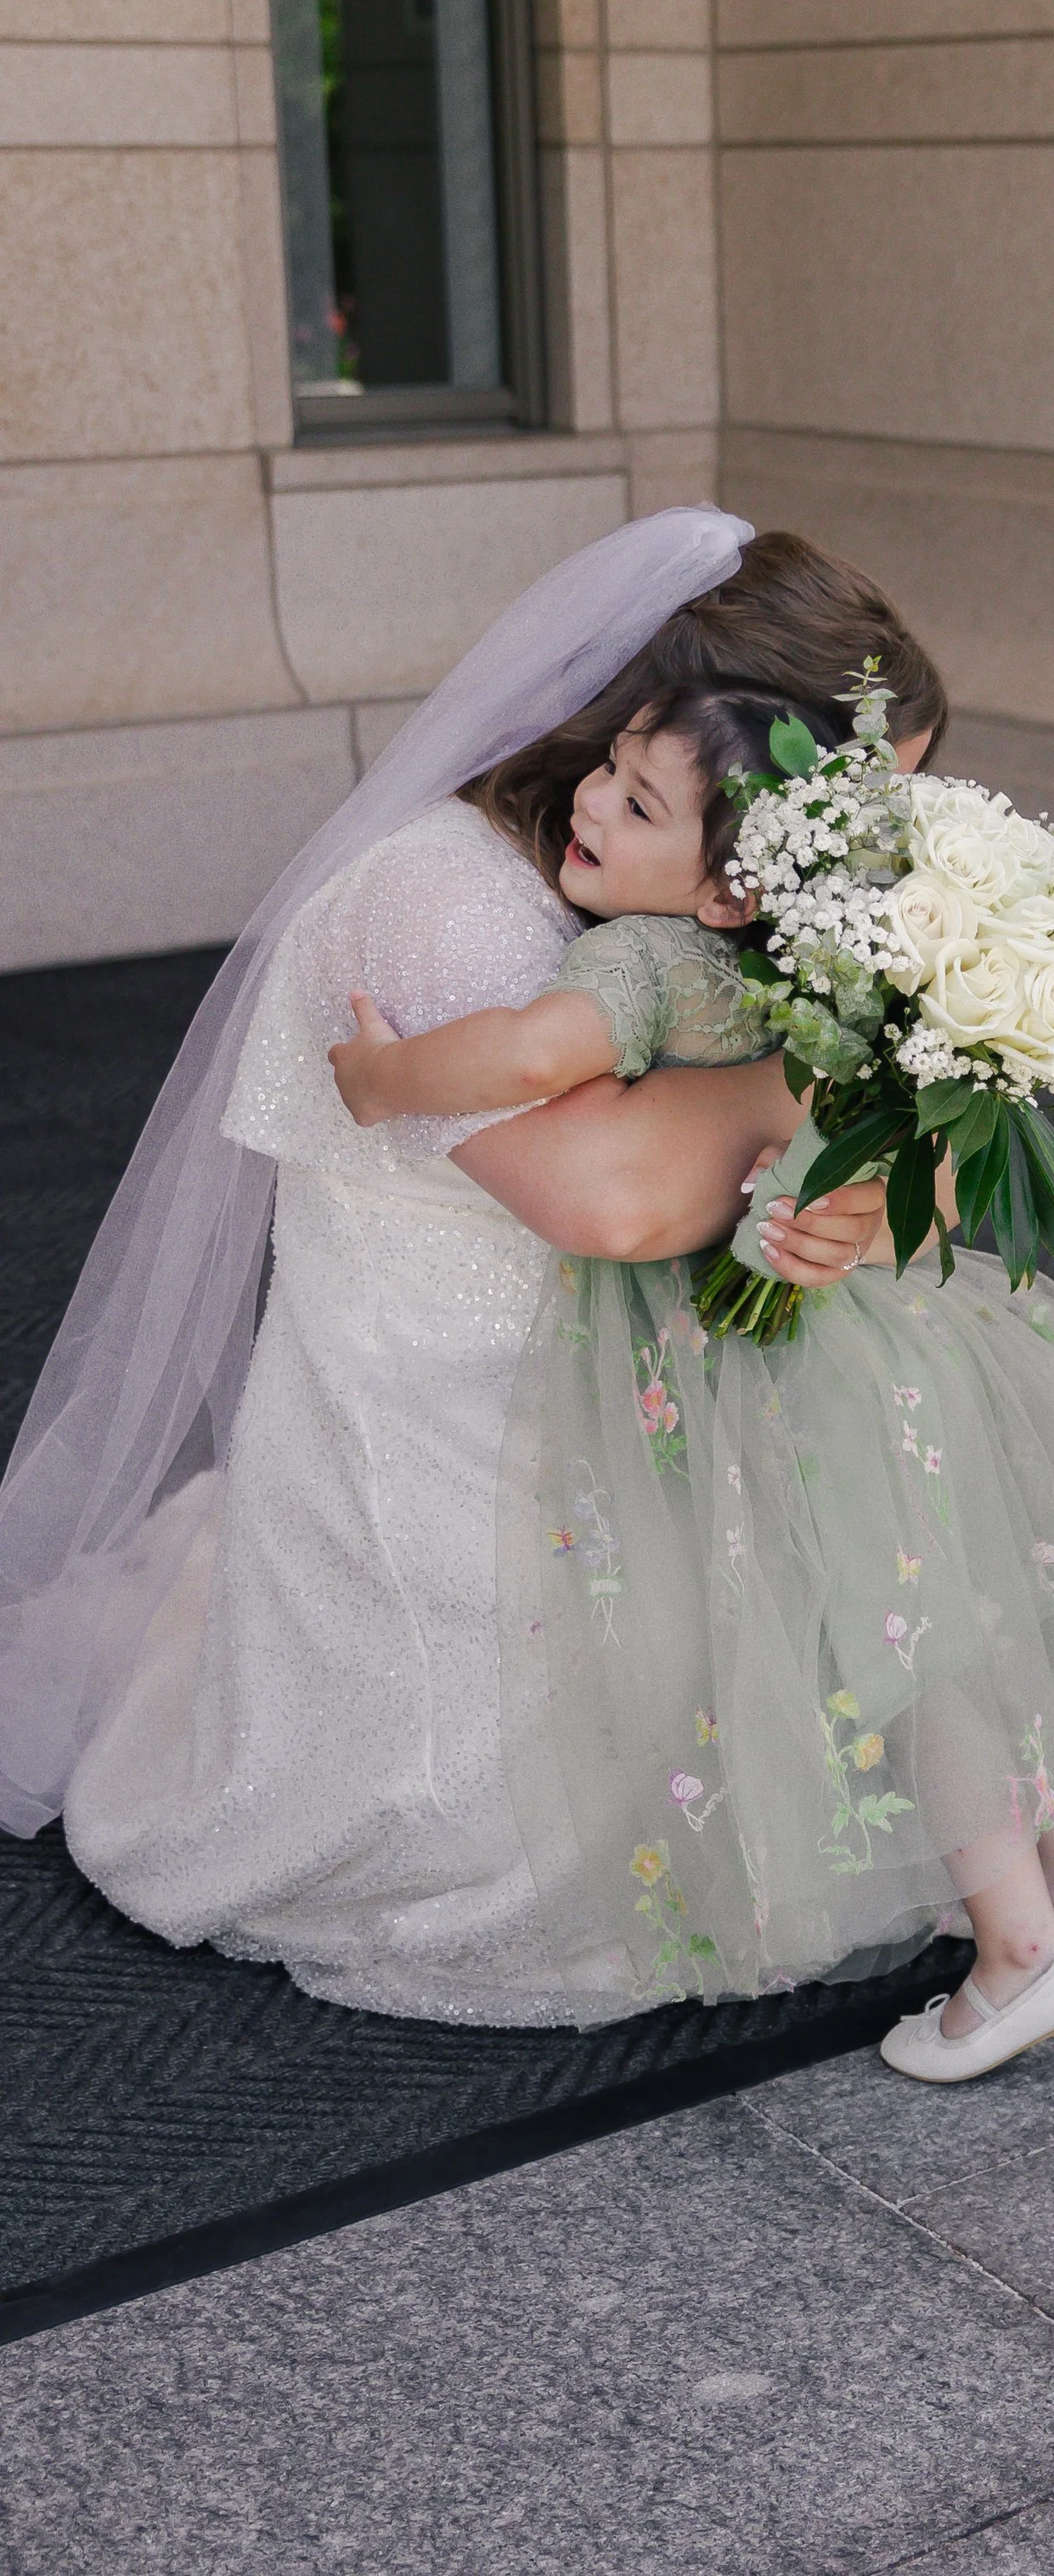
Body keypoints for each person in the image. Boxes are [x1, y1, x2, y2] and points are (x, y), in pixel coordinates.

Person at [3, 514, 937, 2024]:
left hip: (619, 1417)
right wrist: (832, 1104)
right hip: (443, 1448)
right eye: (865, 809)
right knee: (535, 1835)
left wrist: (855, 1190)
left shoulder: (699, 899)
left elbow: (899, 1168)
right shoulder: (437, 897)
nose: (884, 859)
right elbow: (611, 1196)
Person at [329, 668, 1054, 2078]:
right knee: (985, 1594)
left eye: (638, 799)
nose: (591, 799)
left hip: (775, 1360)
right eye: (606, 768)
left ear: (730, 885)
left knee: (897, 1638)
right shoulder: (816, 962)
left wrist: (384, 1078)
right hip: (909, 1324)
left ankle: (1017, 1950)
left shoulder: (646, 959)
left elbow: (538, 1050)